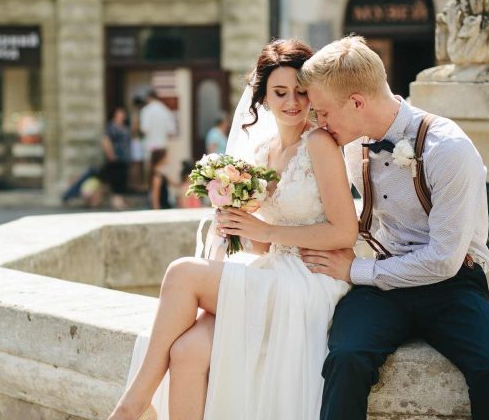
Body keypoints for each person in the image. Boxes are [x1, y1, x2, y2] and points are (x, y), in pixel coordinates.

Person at [110, 39, 358, 420]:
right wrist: (234, 222)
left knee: (181, 272)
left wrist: (266, 231)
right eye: (280, 92)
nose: (292, 102)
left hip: (310, 280)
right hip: (273, 270)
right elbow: (260, 244)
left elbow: (345, 231)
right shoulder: (262, 154)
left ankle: (131, 406)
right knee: (187, 352)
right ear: (263, 96)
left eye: (300, 91)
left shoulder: (320, 144)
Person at [297, 35, 489, 420]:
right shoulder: (349, 145)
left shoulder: (447, 148)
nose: (320, 122)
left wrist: (354, 270)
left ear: (356, 103)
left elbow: (443, 261)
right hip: (384, 286)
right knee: (345, 357)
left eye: (324, 112)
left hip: (452, 285)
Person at [102, 107, 132, 210]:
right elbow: (106, 140)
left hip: (124, 157)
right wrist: (111, 154)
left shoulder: (124, 126)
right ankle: (116, 200)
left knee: (122, 178)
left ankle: (121, 199)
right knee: (116, 178)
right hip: (116, 157)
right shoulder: (111, 126)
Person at [140, 90, 176, 167]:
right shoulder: (165, 110)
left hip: (151, 146)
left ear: (148, 98)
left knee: (151, 169)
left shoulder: (146, 110)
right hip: (162, 145)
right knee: (161, 167)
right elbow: (171, 131)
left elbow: (144, 130)